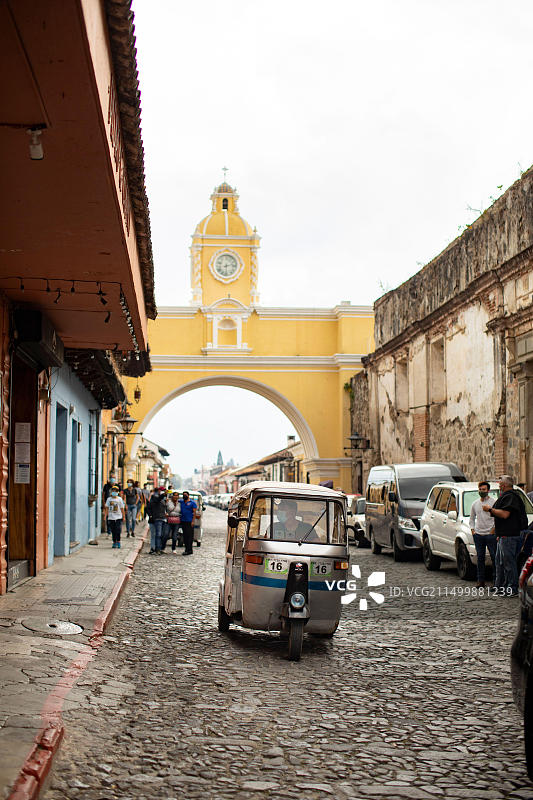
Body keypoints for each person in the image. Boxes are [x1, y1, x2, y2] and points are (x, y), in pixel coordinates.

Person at [483, 475, 528, 596]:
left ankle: (512, 588)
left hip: (510, 536)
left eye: (500, 484)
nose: (499, 485)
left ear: (504, 485)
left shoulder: (511, 497)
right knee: (500, 562)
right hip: (503, 535)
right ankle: (500, 586)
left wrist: (490, 510)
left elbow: (505, 514)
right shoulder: (506, 496)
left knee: (509, 563)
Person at [469, 481, 496, 587]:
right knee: (480, 558)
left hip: (490, 535)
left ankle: (495, 581)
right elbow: (471, 519)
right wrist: (473, 530)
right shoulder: (475, 504)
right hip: (478, 535)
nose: (481, 491)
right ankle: (480, 581)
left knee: (494, 557)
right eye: (480, 489)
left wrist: (493, 530)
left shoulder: (493, 502)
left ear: (488, 490)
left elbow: (496, 518)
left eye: (484, 489)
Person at [146, 486, 168, 554]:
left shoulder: (163, 500)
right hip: (155, 519)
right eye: (162, 491)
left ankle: (159, 548)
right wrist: (151, 515)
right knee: (155, 534)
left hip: (162, 518)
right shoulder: (154, 497)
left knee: (162, 534)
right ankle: (154, 548)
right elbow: (148, 508)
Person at [179, 491, 198, 556]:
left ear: (188, 495)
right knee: (185, 536)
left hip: (190, 521)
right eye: (183, 495)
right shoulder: (181, 502)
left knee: (190, 536)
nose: (185, 496)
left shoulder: (192, 503)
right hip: (183, 521)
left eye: (186, 495)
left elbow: (194, 513)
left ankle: (189, 550)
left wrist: (193, 521)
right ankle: (187, 549)